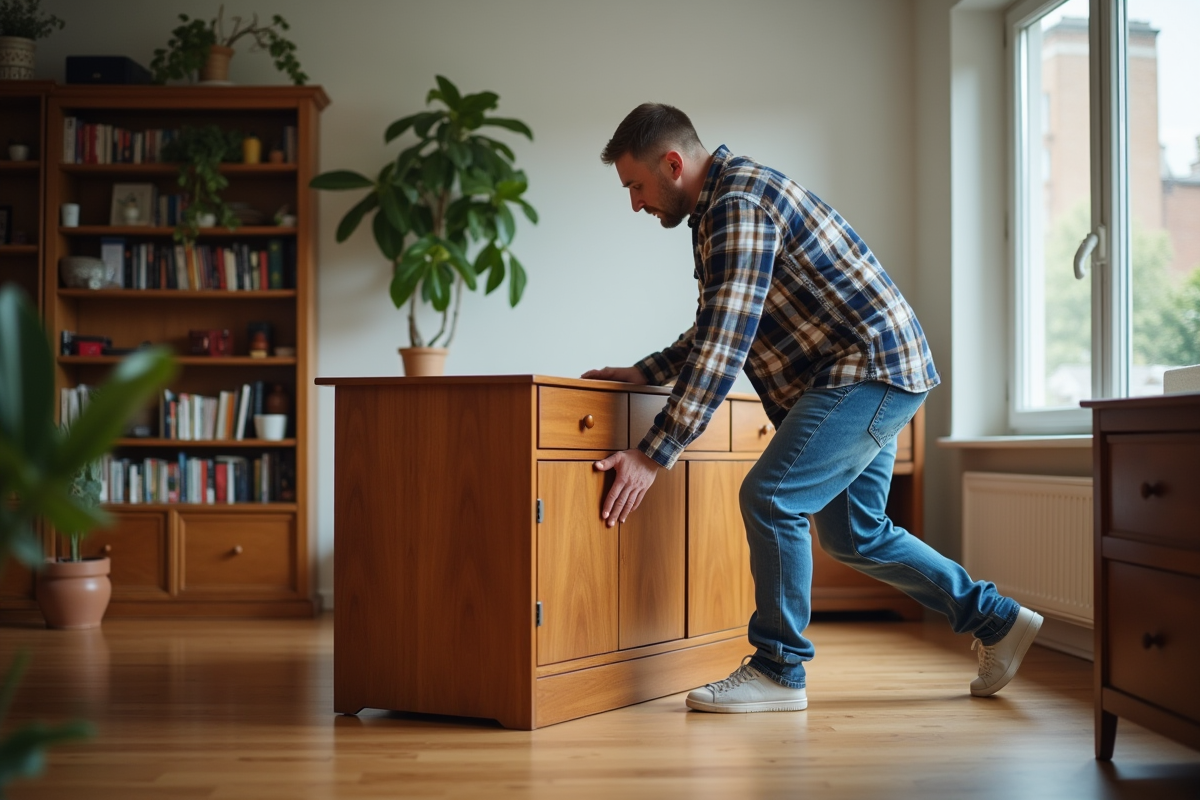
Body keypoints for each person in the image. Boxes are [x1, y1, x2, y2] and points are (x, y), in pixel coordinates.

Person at [582, 103, 1043, 714]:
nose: (636, 203)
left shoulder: (736, 206)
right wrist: (646, 372)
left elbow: (723, 347)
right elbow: (717, 325)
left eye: (636, 186)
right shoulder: (724, 205)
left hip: (866, 371)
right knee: (856, 534)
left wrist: (652, 453)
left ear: (672, 163)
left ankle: (779, 669)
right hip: (877, 369)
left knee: (770, 497)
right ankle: (998, 621)